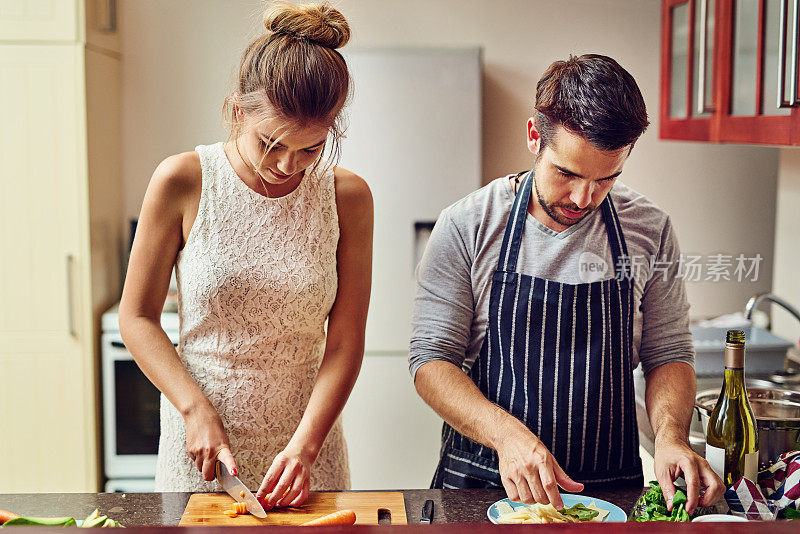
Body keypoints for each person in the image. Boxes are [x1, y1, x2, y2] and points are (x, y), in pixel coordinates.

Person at [410, 54, 724, 514]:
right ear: (535, 136)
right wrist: (508, 436)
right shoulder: (468, 224)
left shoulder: (649, 229)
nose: (583, 198)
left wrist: (671, 438)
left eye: (606, 180)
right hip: (483, 482)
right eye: (567, 174)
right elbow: (431, 361)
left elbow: (669, 352)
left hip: (607, 491)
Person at [119, 1, 372, 509]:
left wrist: (306, 446)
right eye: (271, 143)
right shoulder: (183, 180)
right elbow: (137, 318)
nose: (286, 165)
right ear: (239, 111)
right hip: (203, 449)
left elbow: (344, 344)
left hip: (307, 454)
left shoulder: (349, 197)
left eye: (310, 149)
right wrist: (193, 409)